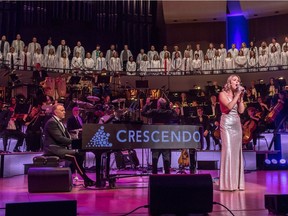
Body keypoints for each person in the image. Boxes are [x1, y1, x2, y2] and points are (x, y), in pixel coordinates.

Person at [43, 104, 95, 187]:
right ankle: (86, 179)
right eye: (62, 110)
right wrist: (74, 142)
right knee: (75, 155)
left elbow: (66, 137)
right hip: (53, 149)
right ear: (56, 112)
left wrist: (76, 141)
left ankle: (69, 175)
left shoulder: (59, 122)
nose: (64, 112)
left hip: (60, 147)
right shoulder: (51, 123)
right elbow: (59, 138)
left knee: (80, 153)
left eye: (64, 110)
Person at [219, 74, 245, 191]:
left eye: (238, 80)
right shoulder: (222, 94)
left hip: (236, 124)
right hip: (227, 124)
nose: (237, 82)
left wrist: (241, 98)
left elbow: (241, 110)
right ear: (229, 83)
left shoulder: (237, 95)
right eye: (235, 80)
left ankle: (237, 183)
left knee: (236, 152)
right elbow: (229, 107)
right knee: (228, 151)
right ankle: (228, 184)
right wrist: (237, 95)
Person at [141, 97, 178, 174]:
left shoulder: (154, 111)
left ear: (158, 104)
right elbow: (176, 116)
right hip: (165, 138)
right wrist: (171, 108)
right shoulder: (168, 112)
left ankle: (154, 176)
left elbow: (143, 113)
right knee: (166, 158)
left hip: (156, 138)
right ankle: (167, 176)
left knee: (155, 157)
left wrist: (147, 105)